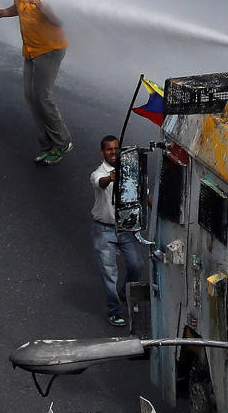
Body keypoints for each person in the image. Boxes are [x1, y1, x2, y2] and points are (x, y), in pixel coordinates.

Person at [0, 0, 73, 165]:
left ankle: (62, 142)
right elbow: (19, 7)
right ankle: (47, 144)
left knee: (42, 96)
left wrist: (41, 6)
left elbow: (61, 21)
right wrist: (2, 13)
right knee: (30, 96)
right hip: (31, 50)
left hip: (50, 49)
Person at [91, 135, 143, 326]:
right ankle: (114, 311)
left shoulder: (130, 171)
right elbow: (100, 183)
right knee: (109, 272)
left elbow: (142, 193)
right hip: (104, 230)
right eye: (109, 149)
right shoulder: (98, 173)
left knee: (136, 265)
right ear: (102, 152)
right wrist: (110, 178)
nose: (113, 152)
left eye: (115, 149)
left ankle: (125, 291)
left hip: (125, 229)